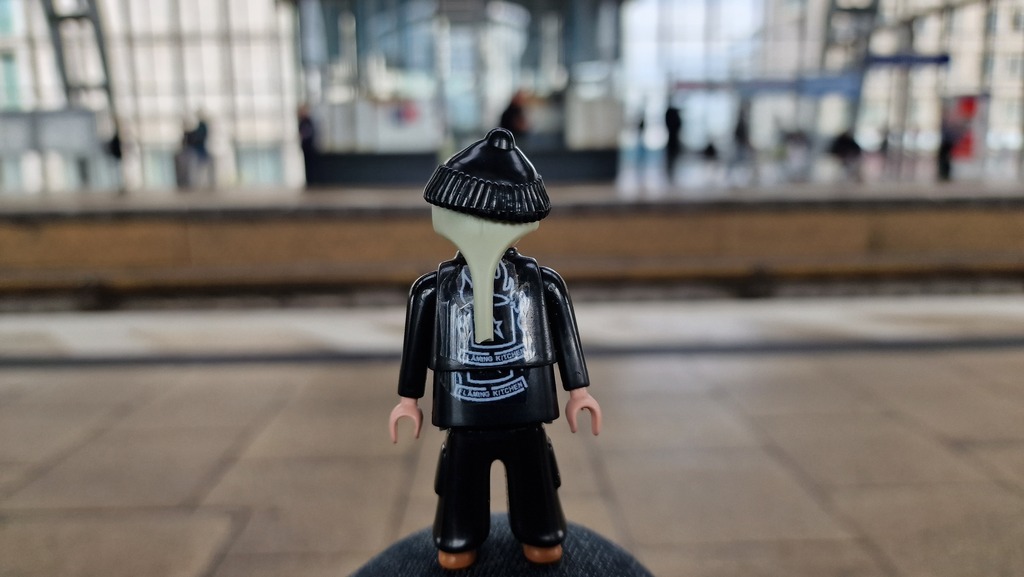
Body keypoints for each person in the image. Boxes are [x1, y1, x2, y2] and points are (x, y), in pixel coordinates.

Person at [389, 128, 602, 571]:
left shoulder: (542, 283)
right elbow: (416, 344)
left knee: (533, 470)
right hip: (464, 406)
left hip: (525, 402)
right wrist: (408, 399)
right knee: (461, 473)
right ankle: (458, 534)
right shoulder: (434, 290)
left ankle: (540, 529)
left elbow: (565, 334)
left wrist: (578, 390)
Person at [297, 104, 319, 186]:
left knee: (312, 165)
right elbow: (301, 134)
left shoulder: (309, 121)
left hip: (310, 147)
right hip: (305, 147)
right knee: (307, 165)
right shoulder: (302, 122)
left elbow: (310, 133)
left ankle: (313, 181)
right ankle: (309, 181)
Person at [664, 104, 683, 182]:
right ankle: (670, 172)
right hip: (672, 140)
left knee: (674, 157)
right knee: (671, 157)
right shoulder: (671, 117)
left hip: (673, 139)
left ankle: (672, 172)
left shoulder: (671, 116)